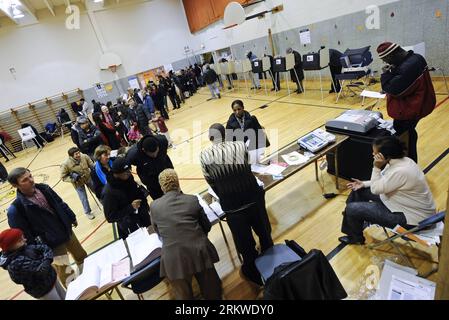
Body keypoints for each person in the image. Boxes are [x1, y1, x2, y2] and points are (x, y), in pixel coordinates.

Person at [200, 124, 273, 285]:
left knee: (245, 244)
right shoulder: (240, 145)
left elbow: (211, 182)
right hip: (253, 198)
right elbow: (247, 168)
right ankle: (273, 266)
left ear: (210, 138)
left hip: (232, 206)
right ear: (225, 134)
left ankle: (254, 274)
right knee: (264, 233)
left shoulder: (204, 155)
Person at [339, 136, 436, 245]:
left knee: (352, 208)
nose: (372, 154)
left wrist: (376, 167)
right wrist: (363, 184)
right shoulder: (404, 161)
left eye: (375, 153)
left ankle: (355, 237)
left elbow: (376, 189)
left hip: (413, 220)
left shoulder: (401, 171)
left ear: (385, 155)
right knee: (358, 190)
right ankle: (351, 222)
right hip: (404, 205)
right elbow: (385, 180)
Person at [6, 168, 87, 287]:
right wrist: (39, 250)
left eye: (30, 176)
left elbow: (60, 203)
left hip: (65, 230)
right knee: (66, 273)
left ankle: (89, 283)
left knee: (82, 257)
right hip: (52, 244)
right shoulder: (16, 209)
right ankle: (78, 294)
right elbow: (25, 236)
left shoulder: (44, 188)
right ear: (15, 185)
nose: (31, 180)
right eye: (25, 180)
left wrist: (71, 216)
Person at [150, 169, 222, 300]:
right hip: (198, 250)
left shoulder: (154, 206)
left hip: (173, 257)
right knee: (212, 291)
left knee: (183, 296)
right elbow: (206, 225)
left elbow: (159, 232)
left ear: (161, 187)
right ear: (178, 183)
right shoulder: (192, 200)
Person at [377, 42, 436, 163]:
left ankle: (409, 165)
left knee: (405, 136)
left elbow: (392, 89)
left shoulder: (407, 68)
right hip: (421, 103)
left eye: (386, 60)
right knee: (408, 132)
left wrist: (385, 74)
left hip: (410, 109)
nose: (387, 63)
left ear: (392, 55)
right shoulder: (417, 58)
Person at [0, 228, 66, 300]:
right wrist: (47, 259)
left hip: (51, 279)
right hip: (43, 290)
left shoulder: (24, 247)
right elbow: (41, 271)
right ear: (11, 246)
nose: (25, 240)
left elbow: (45, 248)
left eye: (23, 237)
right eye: (20, 240)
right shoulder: (15, 263)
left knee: (66, 297)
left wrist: (45, 260)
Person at [102, 157, 151, 239]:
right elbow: (110, 217)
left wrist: (145, 206)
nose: (129, 173)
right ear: (116, 174)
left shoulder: (128, 177)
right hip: (130, 226)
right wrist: (130, 208)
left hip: (143, 216)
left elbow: (137, 192)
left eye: (129, 170)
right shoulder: (108, 193)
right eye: (126, 172)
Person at [126, 135, 174, 200]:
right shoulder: (133, 155)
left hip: (167, 175)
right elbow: (126, 165)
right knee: (159, 203)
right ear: (144, 150)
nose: (155, 155)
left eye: (156, 152)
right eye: (151, 154)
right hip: (152, 182)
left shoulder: (163, 141)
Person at [60, 147, 95, 220]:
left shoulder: (84, 156)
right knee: (84, 198)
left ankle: (104, 203)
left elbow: (92, 166)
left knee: (97, 190)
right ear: (71, 156)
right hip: (78, 183)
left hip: (88, 178)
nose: (79, 155)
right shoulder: (65, 164)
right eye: (76, 154)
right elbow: (63, 177)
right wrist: (73, 179)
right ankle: (88, 212)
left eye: (79, 152)